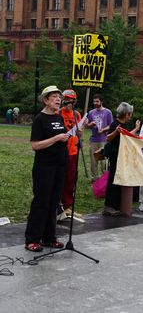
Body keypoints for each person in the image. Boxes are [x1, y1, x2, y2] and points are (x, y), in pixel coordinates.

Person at [25, 86, 69, 252]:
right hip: (45, 167)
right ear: (45, 100)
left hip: (60, 165)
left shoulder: (59, 118)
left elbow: (64, 137)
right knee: (41, 201)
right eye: (54, 97)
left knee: (54, 201)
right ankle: (32, 239)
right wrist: (57, 137)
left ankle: (49, 237)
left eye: (59, 97)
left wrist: (76, 133)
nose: (58, 99)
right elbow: (35, 145)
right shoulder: (39, 119)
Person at [103, 102, 140, 216]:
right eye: (130, 114)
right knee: (114, 179)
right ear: (126, 114)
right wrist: (115, 131)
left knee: (120, 180)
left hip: (122, 155)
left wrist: (136, 128)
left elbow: (127, 135)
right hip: (115, 155)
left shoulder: (125, 124)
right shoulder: (115, 123)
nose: (131, 116)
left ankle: (118, 205)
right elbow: (108, 138)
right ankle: (109, 206)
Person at [58, 89, 84, 221]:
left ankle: (68, 206)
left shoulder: (77, 114)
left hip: (73, 151)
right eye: (67, 100)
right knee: (59, 179)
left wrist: (80, 133)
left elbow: (80, 133)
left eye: (72, 100)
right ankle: (58, 206)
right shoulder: (58, 113)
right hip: (61, 151)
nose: (70, 103)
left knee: (70, 179)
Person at [87, 94, 113, 181]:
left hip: (104, 140)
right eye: (94, 101)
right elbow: (87, 125)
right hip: (93, 140)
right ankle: (94, 179)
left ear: (101, 101)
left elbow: (111, 125)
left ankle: (104, 179)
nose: (95, 103)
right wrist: (91, 124)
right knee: (94, 161)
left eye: (97, 101)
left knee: (103, 161)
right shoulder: (91, 112)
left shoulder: (107, 112)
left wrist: (103, 130)